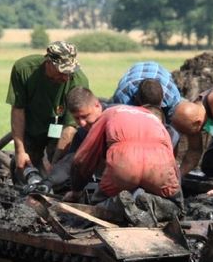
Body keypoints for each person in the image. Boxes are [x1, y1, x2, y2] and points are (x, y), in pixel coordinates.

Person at [68, 92, 181, 220]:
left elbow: (82, 160)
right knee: (177, 207)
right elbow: (171, 160)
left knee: (97, 208)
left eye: (85, 116)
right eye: (77, 118)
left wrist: (76, 191)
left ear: (98, 106)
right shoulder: (152, 118)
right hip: (159, 165)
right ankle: (151, 202)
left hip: (125, 164)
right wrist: (175, 188)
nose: (82, 123)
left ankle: (120, 204)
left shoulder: (108, 114)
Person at [7, 41, 90, 173]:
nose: (66, 77)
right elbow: (18, 110)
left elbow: (70, 127)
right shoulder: (24, 69)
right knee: (26, 167)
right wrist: (20, 151)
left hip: (60, 128)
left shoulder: (78, 81)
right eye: (62, 72)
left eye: (69, 72)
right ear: (49, 63)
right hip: (33, 126)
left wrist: (55, 169)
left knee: (62, 165)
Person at [110, 61, 183, 122]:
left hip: (159, 71)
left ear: (162, 101)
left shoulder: (172, 96)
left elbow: (173, 125)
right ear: (136, 99)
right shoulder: (123, 96)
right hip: (135, 71)